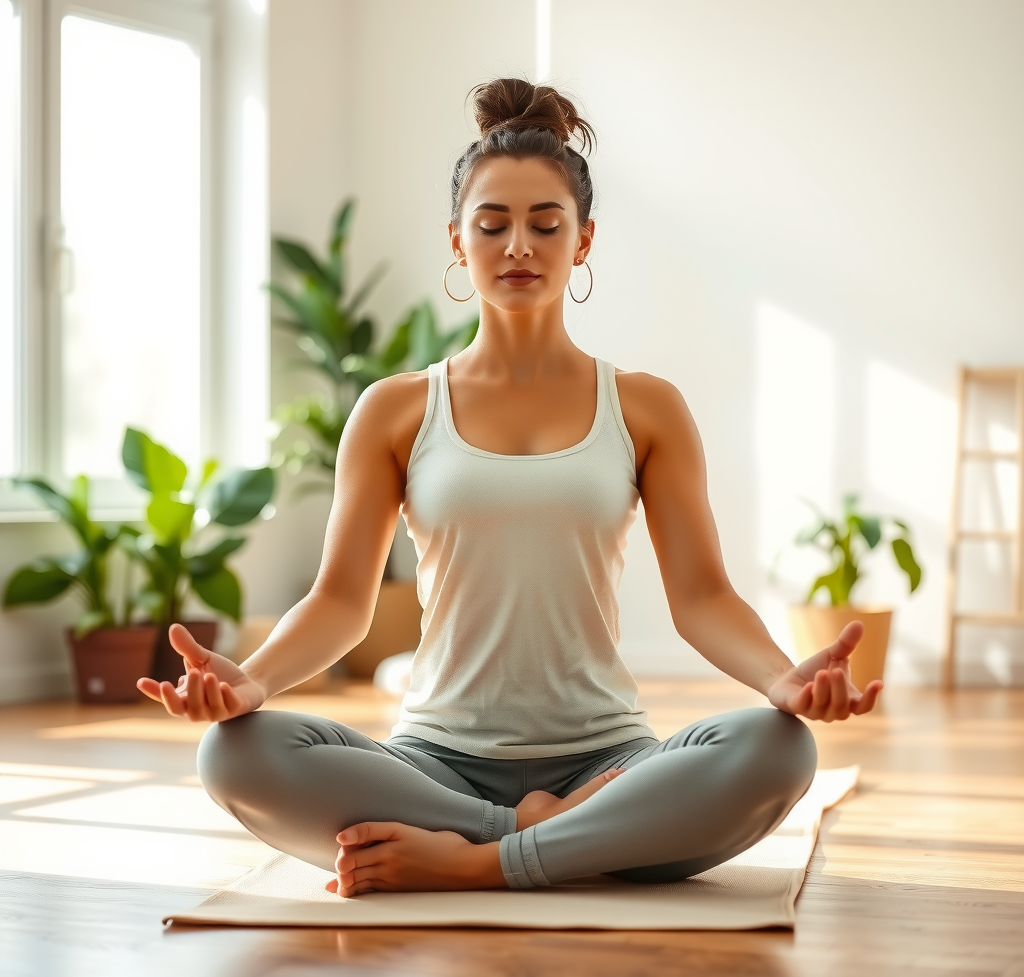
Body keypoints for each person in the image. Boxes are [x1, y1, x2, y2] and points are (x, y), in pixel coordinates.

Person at [139, 78, 881, 897]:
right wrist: (247, 682)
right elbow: (342, 603)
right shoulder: (395, 409)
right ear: (458, 242)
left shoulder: (645, 407)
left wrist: (783, 680)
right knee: (236, 752)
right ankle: (537, 842)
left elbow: (702, 597)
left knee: (779, 750)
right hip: (431, 768)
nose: (518, 246)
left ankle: (472, 861)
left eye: (545, 224)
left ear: (584, 240)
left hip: (610, 760)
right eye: (491, 225)